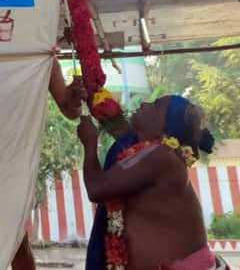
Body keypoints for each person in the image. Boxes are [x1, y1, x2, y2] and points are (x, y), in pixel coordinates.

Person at [78, 95, 222, 270]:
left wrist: (90, 144)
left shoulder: (164, 156)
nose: (144, 103)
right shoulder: (146, 150)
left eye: (155, 106)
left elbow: (96, 189)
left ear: (164, 127)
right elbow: (119, 128)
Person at [11, 58, 86, 270]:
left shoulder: (37, 54)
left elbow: (71, 111)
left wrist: (73, 96)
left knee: (16, 239)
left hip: (9, 163)